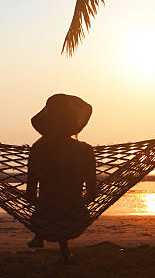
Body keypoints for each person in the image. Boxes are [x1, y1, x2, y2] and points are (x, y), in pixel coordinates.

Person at [26, 94, 97, 263]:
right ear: (72, 122)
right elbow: (92, 192)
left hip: (42, 220)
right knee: (62, 204)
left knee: (50, 204)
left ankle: (40, 237)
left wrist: (45, 206)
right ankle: (62, 250)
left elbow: (30, 194)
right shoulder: (85, 151)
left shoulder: (38, 150)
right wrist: (77, 202)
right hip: (76, 218)